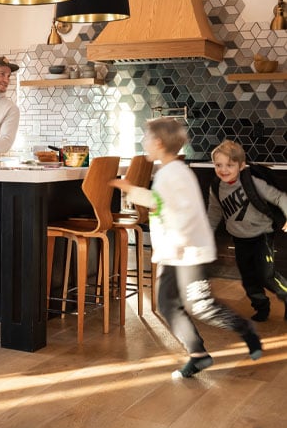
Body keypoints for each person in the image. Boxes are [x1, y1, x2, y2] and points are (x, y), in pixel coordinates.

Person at [111, 118, 263, 378]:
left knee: (202, 305)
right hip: (175, 253)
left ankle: (246, 329)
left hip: (187, 251)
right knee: (168, 305)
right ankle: (198, 355)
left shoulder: (175, 174)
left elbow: (185, 213)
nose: (143, 143)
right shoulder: (169, 172)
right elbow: (160, 203)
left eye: (146, 138)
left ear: (158, 143)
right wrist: (132, 191)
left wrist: (179, 244)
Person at [207, 139, 287, 321]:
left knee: (267, 276)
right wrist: (206, 235)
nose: (223, 170)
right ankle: (261, 307)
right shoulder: (216, 187)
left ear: (241, 166)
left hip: (262, 235)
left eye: (229, 165)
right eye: (218, 165)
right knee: (248, 278)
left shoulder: (252, 182)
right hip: (239, 238)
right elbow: (213, 213)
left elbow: (280, 197)